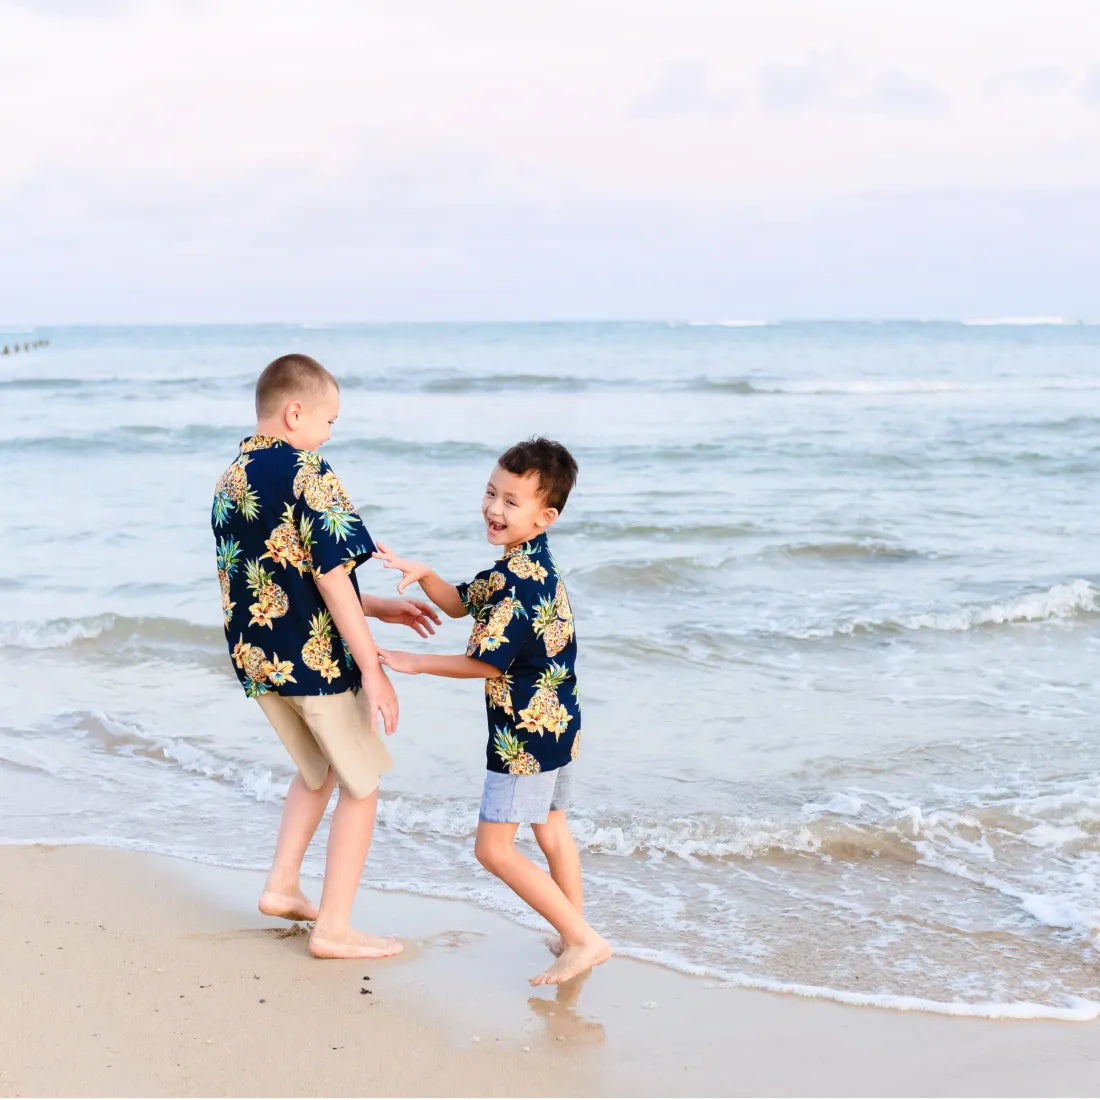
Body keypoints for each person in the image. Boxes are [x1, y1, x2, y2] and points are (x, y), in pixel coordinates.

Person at [211, 353, 441, 960]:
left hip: (258, 658)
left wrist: (377, 609)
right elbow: (332, 577)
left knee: (319, 767)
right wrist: (372, 668)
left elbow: (281, 577)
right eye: (329, 420)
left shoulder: (232, 477)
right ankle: (334, 927)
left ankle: (283, 885)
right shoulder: (308, 470)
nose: (330, 433)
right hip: (314, 660)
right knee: (363, 786)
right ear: (295, 412)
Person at [373, 437, 611, 986]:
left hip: (523, 734)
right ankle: (571, 931)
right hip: (559, 720)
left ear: (545, 516)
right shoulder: (527, 564)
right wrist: (424, 572)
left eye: (511, 502)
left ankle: (581, 940)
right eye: (490, 493)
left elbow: (484, 665)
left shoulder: (516, 585)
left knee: (492, 848)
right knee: (552, 829)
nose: (493, 509)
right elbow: (459, 602)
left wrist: (413, 661)